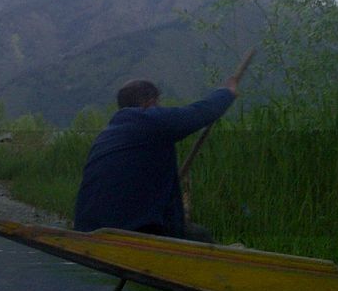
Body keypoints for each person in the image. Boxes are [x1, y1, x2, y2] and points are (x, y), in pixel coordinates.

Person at [73, 75, 240, 240]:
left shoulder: (106, 134)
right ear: (150, 102)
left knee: (188, 230)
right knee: (201, 236)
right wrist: (226, 92)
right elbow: (199, 112)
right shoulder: (149, 119)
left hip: (87, 228)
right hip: (131, 229)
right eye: (158, 103)